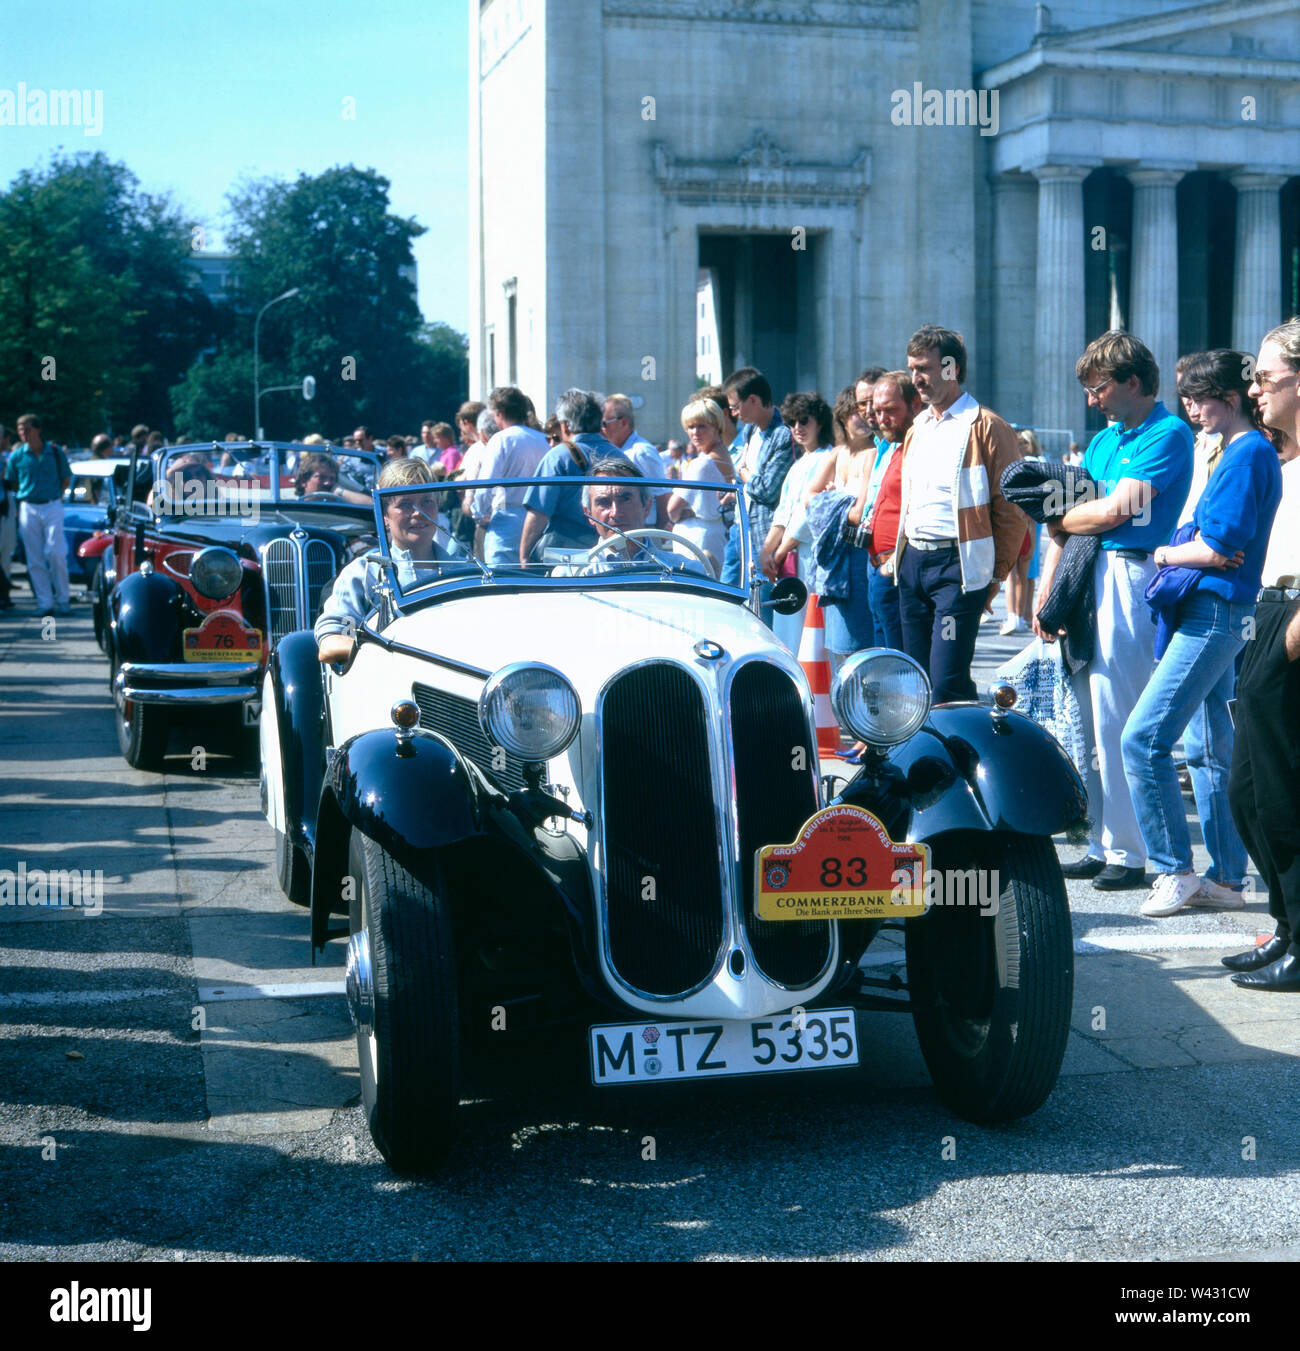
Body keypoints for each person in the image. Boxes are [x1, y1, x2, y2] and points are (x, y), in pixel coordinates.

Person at [1120, 350, 1282, 919]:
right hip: (1222, 610)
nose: (1189, 408)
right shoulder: (1247, 451)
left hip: (1214, 610)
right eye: (1186, 398)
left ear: (1228, 398)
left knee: (1143, 740)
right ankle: (1226, 878)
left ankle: (1173, 870)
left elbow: (1219, 548)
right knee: (1209, 748)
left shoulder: (1244, 454)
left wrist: (1162, 551)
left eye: (1198, 397)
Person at [1036, 331, 1194, 891]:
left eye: (1098, 386)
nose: (1091, 398)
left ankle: (1131, 851)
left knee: (1117, 711)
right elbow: (1075, 516)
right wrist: (1045, 591)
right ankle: (1100, 840)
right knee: (1084, 714)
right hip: (1086, 574)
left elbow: (1110, 514)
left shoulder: (1169, 435)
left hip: (1131, 572)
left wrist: (1062, 518)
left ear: (1132, 382)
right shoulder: (1105, 442)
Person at [1223, 319, 1300, 990]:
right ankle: (1286, 922)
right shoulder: (1286, 456)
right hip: (1270, 614)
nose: (1255, 389)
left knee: (1283, 792)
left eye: (1267, 378)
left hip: (1296, 619)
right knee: (1246, 791)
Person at [893, 325, 1026, 703]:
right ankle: (920, 758)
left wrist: (996, 575)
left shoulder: (987, 426)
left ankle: (958, 757)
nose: (916, 379)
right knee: (913, 682)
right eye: (912, 369)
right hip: (913, 564)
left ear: (951, 368)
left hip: (958, 568)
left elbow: (1012, 509)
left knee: (946, 680)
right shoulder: (917, 426)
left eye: (925, 368)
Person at [315, 458, 442, 664]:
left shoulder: (465, 569)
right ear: (385, 515)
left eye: (427, 501)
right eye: (405, 504)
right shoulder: (365, 574)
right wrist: (393, 654)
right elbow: (334, 640)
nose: (419, 513)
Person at [519, 390, 630, 560]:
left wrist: (524, 557)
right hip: (611, 552)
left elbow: (539, 512)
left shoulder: (557, 457)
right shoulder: (621, 456)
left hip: (563, 556)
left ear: (565, 425)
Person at [722, 367, 794, 605]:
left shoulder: (783, 434)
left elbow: (766, 489)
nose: (733, 413)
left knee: (762, 603)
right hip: (739, 526)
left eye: (735, 406)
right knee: (726, 596)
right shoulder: (749, 431)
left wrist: (744, 472)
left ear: (753, 400)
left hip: (764, 533)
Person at [861, 371, 921, 652]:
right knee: (882, 661)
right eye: (878, 410)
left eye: (891, 410)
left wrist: (891, 563)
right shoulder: (893, 447)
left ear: (914, 404)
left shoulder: (918, 447)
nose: (882, 418)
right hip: (877, 568)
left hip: (895, 570)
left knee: (898, 662)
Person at [583, 458, 707, 576]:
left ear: (646, 507)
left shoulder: (687, 571)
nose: (615, 512)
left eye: (625, 499)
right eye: (603, 502)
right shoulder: (573, 575)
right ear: (589, 513)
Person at [4, 414, 72, 617]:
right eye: (20, 430)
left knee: (56, 552)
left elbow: (65, 478)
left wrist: (56, 497)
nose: (22, 433)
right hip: (28, 506)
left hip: (52, 504)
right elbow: (13, 482)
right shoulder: (17, 456)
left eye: (26, 429)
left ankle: (63, 598)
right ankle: (45, 602)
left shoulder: (54, 451)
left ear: (38, 429)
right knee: (34, 558)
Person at [473, 386, 550, 566]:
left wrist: (479, 512)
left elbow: (487, 483)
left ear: (500, 413)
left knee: (502, 577)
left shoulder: (501, 439)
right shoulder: (544, 439)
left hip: (508, 520)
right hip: (541, 520)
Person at [668, 397, 735, 576]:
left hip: (698, 540)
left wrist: (689, 512)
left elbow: (672, 510)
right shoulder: (726, 455)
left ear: (716, 426)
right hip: (717, 535)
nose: (695, 432)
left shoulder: (702, 464)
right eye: (690, 427)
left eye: (702, 426)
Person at [602, 393, 669, 526]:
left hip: (644, 529)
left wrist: (658, 533)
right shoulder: (614, 450)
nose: (601, 429)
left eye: (604, 423)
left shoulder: (642, 452)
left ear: (623, 422)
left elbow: (661, 496)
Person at [1001, 429, 1043, 635]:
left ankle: (1013, 617)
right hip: (1030, 524)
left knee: (1012, 575)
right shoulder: (1038, 466)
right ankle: (1021, 616)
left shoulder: (1016, 467)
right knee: (1024, 575)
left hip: (1016, 524)